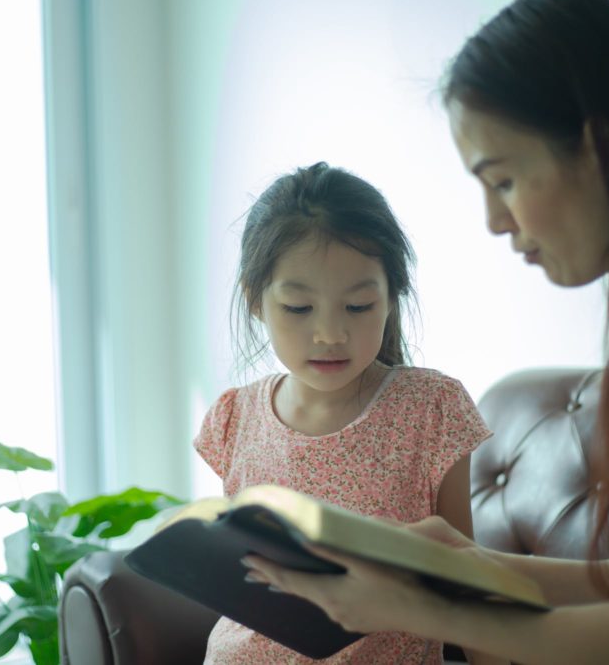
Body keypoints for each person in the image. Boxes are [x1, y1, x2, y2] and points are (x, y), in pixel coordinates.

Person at [243, 0, 609, 664]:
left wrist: (429, 608)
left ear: (598, 146)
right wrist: (473, 565)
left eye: (501, 180)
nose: (494, 221)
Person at [194, 161, 503, 664]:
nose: (330, 335)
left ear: (391, 297)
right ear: (256, 301)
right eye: (298, 308)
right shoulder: (234, 418)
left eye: (358, 306)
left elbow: (466, 583)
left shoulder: (431, 411)